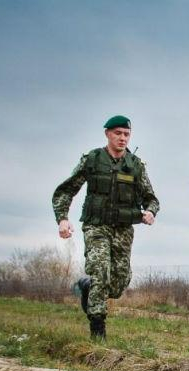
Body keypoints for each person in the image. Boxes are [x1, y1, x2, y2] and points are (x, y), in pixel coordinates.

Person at [52, 115, 159, 341]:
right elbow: (66, 190)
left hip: (122, 230)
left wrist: (150, 212)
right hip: (96, 226)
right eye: (117, 133)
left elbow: (151, 198)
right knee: (101, 270)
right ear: (107, 134)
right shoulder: (92, 160)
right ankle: (98, 332)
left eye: (126, 134)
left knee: (119, 283)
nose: (122, 138)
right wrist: (62, 218)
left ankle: (86, 285)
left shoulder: (135, 165)